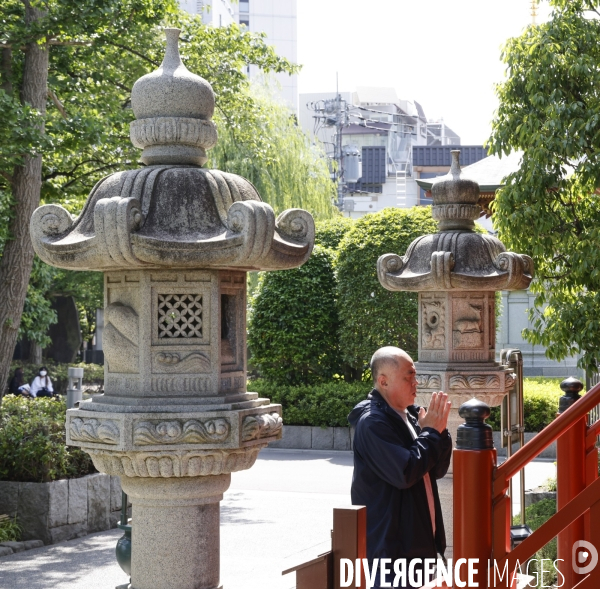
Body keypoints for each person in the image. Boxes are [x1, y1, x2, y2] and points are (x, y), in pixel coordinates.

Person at [348, 346, 452, 589]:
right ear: (383, 381)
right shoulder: (372, 423)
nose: (416, 382)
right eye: (409, 377)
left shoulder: (413, 415)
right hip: (393, 552)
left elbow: (436, 470)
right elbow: (405, 472)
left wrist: (439, 432)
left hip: (420, 543)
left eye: (415, 375)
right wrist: (430, 433)